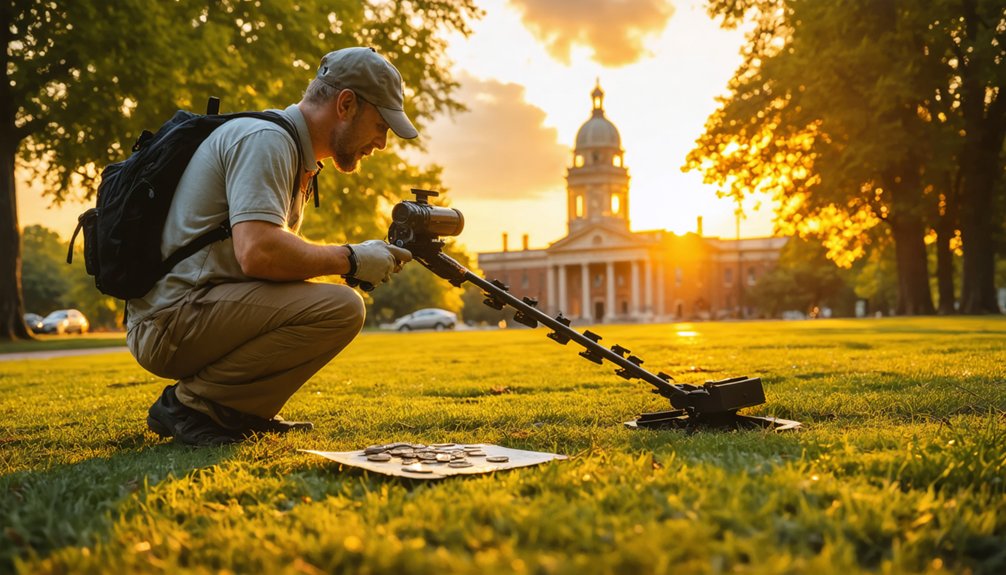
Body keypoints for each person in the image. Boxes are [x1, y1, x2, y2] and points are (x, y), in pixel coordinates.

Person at [127, 47, 415, 446]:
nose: (382, 143)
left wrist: (355, 257)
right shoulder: (268, 141)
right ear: (346, 104)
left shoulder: (293, 153)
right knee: (342, 308)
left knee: (331, 303)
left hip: (191, 311)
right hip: (169, 323)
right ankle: (193, 405)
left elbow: (267, 262)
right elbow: (259, 253)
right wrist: (351, 259)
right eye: (381, 125)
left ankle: (237, 411)